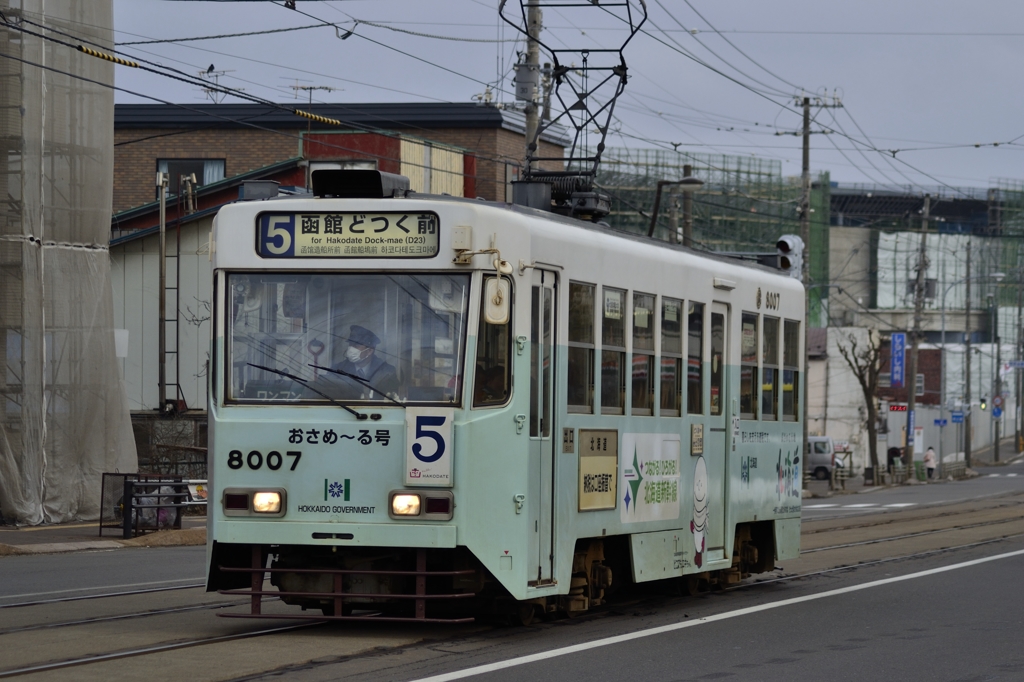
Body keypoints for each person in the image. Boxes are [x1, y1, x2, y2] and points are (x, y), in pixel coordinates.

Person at [330, 325, 399, 399]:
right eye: (350, 344)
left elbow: (392, 400)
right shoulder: (337, 370)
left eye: (356, 345)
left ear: (370, 350)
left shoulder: (387, 372)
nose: (351, 348)